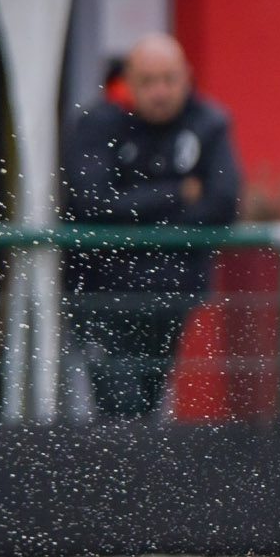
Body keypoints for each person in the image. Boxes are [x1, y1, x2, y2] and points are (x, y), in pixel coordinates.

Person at [60, 33, 239, 419]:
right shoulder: (98, 123)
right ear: (128, 82)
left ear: (187, 77)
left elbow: (223, 202)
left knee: (147, 403)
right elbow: (90, 202)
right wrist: (176, 193)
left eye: (169, 80)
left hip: (170, 292)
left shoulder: (209, 122)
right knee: (119, 405)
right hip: (103, 292)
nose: (160, 92)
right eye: (148, 81)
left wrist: (134, 208)